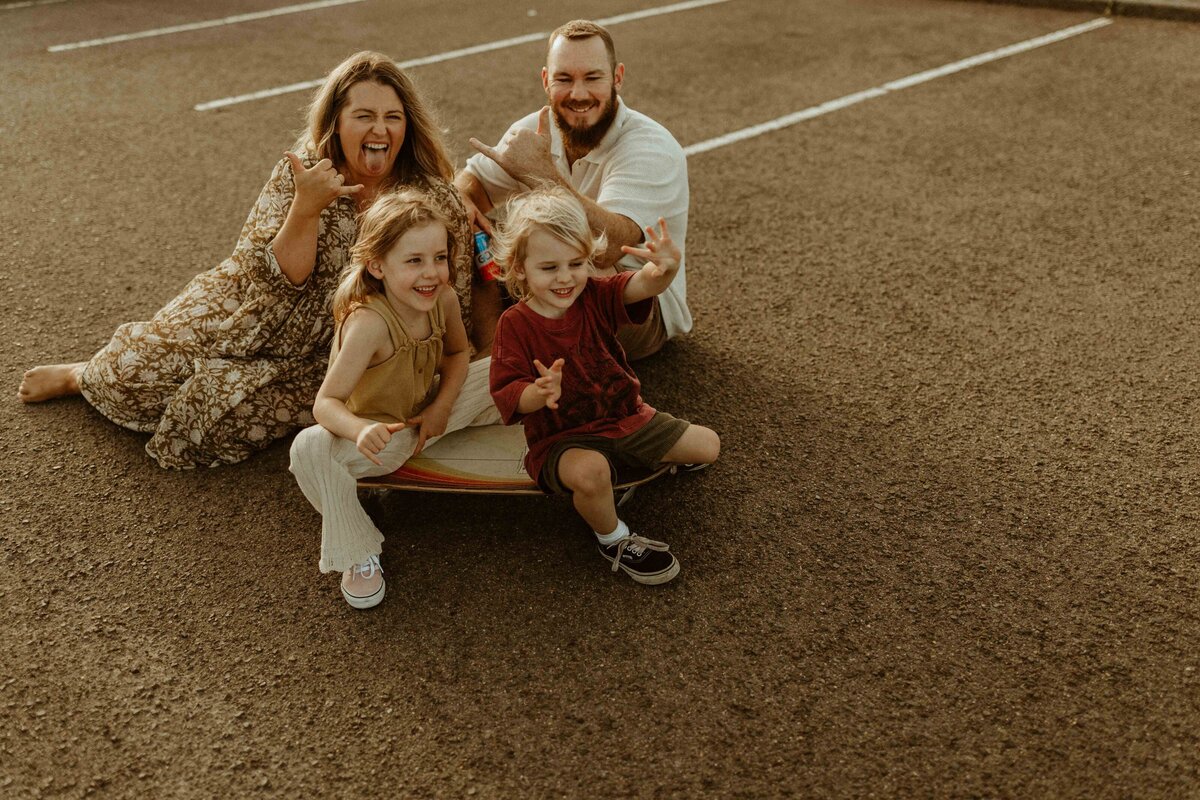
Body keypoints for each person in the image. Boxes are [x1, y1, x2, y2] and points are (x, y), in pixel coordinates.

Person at [17, 51, 482, 468]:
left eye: (392, 117)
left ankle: (190, 386)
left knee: (219, 419)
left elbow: (447, 298)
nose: (380, 130)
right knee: (132, 375)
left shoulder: (432, 198)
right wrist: (306, 207)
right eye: (364, 116)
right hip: (250, 312)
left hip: (339, 352)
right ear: (336, 124)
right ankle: (84, 375)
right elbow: (272, 279)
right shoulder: (303, 171)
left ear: (407, 125)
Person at [488, 188, 719, 585]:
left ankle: (619, 472)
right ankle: (614, 538)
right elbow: (508, 392)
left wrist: (664, 270)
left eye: (576, 263)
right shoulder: (515, 324)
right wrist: (538, 393)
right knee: (591, 474)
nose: (565, 278)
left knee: (708, 446)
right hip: (563, 440)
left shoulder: (593, 294)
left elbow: (642, 285)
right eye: (549, 268)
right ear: (519, 268)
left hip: (625, 418)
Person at [288, 190, 498, 609]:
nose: (432, 273)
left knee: (505, 367)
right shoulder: (369, 323)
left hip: (430, 416)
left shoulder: (446, 299)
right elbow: (326, 403)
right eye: (415, 260)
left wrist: (440, 408)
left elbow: (459, 354)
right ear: (377, 265)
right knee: (308, 447)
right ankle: (356, 549)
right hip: (384, 439)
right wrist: (360, 429)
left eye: (440, 257)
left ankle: (546, 424)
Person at [457, 19, 690, 361]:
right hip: (552, 276)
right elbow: (470, 182)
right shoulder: (536, 128)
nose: (578, 94)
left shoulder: (650, 146)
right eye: (564, 79)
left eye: (592, 78)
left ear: (617, 77)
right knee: (460, 237)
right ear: (546, 81)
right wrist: (462, 201)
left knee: (580, 277)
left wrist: (542, 174)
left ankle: (505, 369)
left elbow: (609, 248)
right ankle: (490, 354)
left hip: (633, 299)